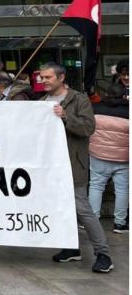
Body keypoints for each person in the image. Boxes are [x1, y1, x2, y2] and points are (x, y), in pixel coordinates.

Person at [41, 63, 113, 273]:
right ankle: (71, 248)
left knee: (82, 209)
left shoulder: (79, 99)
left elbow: (88, 128)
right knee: (61, 208)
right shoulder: (41, 102)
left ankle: (103, 254)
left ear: (61, 77)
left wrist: (65, 116)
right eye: (41, 78)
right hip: (50, 167)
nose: (43, 81)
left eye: (47, 77)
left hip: (73, 165)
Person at [88, 102, 128, 234]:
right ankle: (120, 224)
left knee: (96, 186)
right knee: (122, 190)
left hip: (98, 156)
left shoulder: (95, 109)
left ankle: (92, 222)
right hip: (123, 158)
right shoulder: (128, 112)